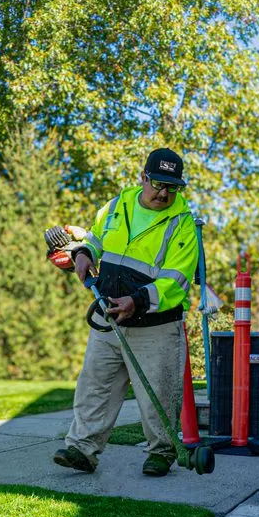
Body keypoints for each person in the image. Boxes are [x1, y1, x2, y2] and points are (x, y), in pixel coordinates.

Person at [47, 147, 199, 477]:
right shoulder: (118, 205)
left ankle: (161, 451)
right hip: (108, 316)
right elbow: (96, 237)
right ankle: (82, 449)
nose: (164, 193)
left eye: (172, 187)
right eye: (158, 184)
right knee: (94, 386)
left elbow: (176, 280)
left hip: (155, 325)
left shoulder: (183, 224)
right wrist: (85, 253)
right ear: (143, 177)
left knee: (158, 392)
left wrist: (138, 301)